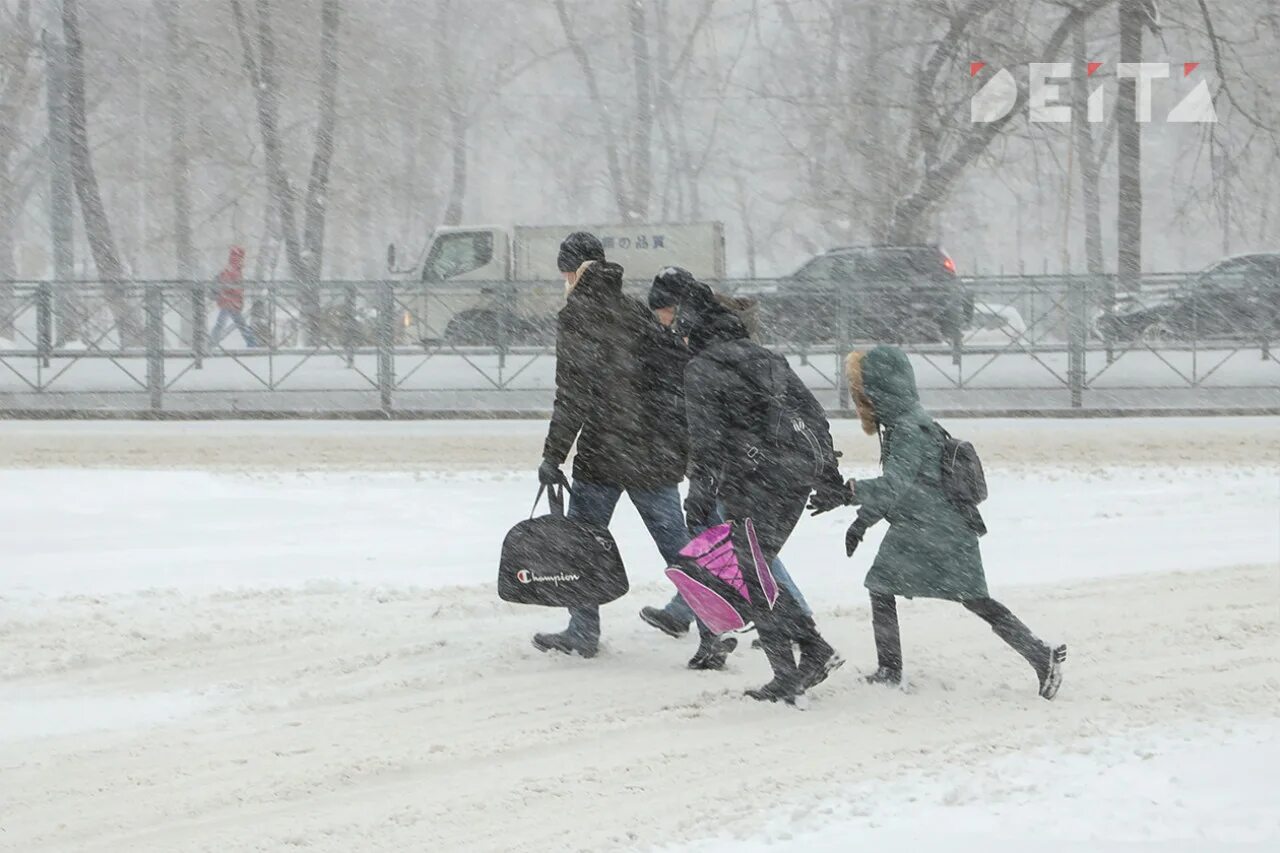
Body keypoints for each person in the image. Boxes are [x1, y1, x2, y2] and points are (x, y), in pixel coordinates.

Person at [814, 345, 1066, 699]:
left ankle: (1040, 654)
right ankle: (892, 669)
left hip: (937, 529)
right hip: (928, 526)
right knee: (897, 588)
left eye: (862, 390)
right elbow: (901, 489)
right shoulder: (907, 422)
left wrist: (847, 493)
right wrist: (862, 521)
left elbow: (894, 484)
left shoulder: (907, 429)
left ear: (878, 389)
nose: (859, 398)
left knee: (967, 597)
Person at [533, 233, 737, 670]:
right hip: (652, 451)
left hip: (605, 452)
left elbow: (573, 393)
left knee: (583, 542)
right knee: (678, 546)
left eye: (565, 272)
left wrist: (554, 455)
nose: (564, 280)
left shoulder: (578, 315)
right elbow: (671, 373)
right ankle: (714, 628)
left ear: (577, 271)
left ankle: (583, 632)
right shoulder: (633, 310)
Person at [676, 279, 845, 704]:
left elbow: (707, 439)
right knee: (757, 569)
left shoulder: (702, 368)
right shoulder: (769, 358)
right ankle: (806, 654)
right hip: (794, 474)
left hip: (754, 480)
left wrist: (699, 493)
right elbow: (813, 415)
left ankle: (796, 665)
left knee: (753, 575)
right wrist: (828, 475)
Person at [638, 267, 815, 641]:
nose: (662, 322)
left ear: (676, 306)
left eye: (663, 313)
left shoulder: (706, 336)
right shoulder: (710, 326)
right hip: (747, 460)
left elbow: (728, 405)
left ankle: (795, 623)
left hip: (744, 462)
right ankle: (689, 613)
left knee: (738, 542)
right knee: (739, 543)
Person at [210, 246, 257, 349]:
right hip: (231, 301)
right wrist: (237, 292)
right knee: (237, 324)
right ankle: (252, 343)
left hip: (228, 300)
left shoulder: (230, 268)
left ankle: (211, 344)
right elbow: (230, 285)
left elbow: (227, 283)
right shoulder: (234, 269)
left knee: (224, 324)